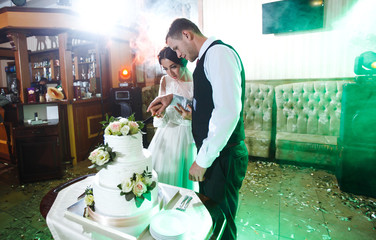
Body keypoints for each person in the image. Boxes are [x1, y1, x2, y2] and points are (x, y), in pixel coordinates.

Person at [147, 18, 248, 239]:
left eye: (176, 48)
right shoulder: (207, 58)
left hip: (224, 155)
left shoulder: (218, 54)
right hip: (216, 154)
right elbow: (205, 105)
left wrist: (202, 161)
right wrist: (172, 98)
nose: (178, 54)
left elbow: (227, 112)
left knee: (221, 220)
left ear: (186, 34)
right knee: (211, 215)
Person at [148, 46, 198, 191]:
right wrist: (159, 114)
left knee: (182, 180)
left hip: (186, 136)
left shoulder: (197, 80)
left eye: (173, 67)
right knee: (161, 176)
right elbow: (161, 118)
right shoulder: (165, 81)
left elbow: (199, 114)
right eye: (166, 68)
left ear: (182, 61)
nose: (170, 73)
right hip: (165, 135)